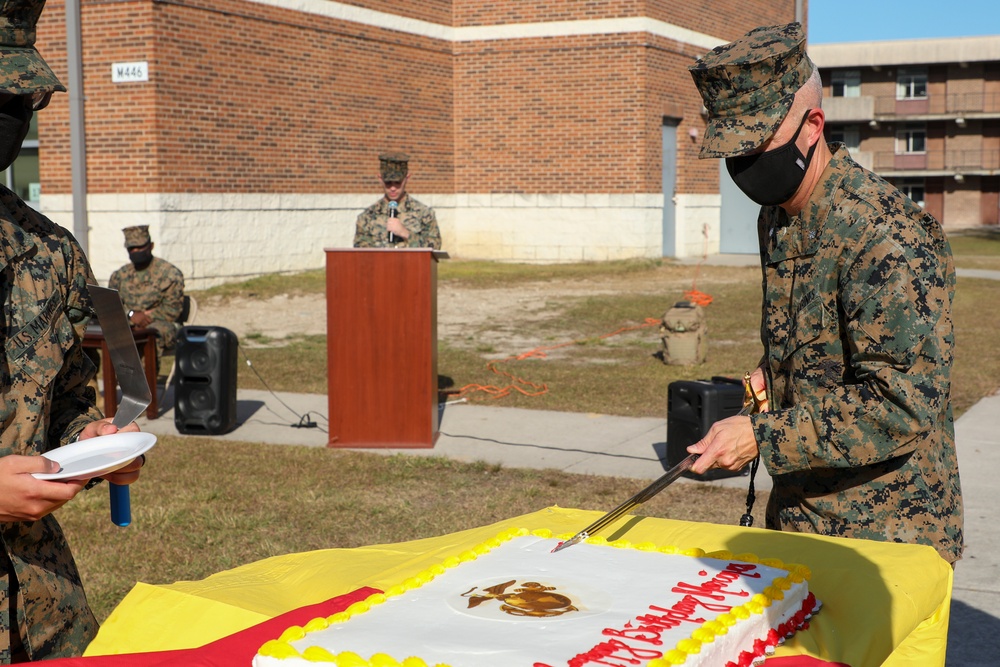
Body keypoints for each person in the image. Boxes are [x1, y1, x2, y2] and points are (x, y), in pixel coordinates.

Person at [685, 23, 964, 564]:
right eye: (731, 151)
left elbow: (902, 404)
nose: (743, 167)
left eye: (756, 146)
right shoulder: (780, 218)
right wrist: (775, 375)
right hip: (800, 520)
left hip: (884, 543)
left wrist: (763, 438)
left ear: (812, 126)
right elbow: (819, 345)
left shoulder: (885, 234)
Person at [0, 0, 145, 661]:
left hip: (42, 609)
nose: (12, 115)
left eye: (23, 97)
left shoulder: (48, 251)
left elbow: (64, 396)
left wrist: (88, 440)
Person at [108, 225, 185, 364]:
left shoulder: (170, 274)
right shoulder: (119, 275)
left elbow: (172, 310)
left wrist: (144, 318)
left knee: (149, 334)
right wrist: (131, 315)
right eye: (132, 249)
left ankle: (146, 383)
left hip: (161, 325)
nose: (136, 251)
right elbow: (110, 305)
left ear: (151, 246)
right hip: (127, 322)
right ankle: (91, 381)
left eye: (140, 247)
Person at [353, 153, 442, 249]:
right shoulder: (367, 217)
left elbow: (435, 247)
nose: (392, 188)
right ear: (380, 179)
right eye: (388, 183)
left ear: (407, 178)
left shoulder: (424, 214)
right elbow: (360, 251)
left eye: (397, 183)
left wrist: (406, 234)